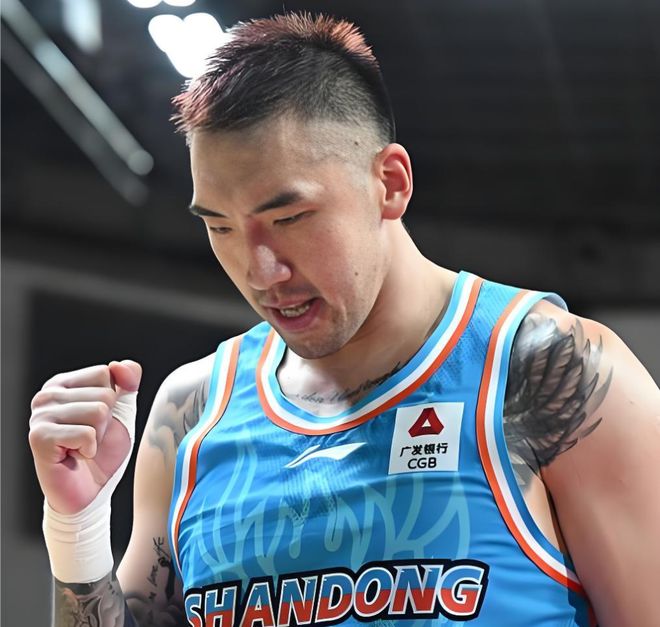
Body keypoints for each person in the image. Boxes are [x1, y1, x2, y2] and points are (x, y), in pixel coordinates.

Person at [28, 12, 659, 627]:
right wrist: (77, 528)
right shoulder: (193, 411)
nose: (260, 270)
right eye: (220, 227)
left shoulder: (554, 371)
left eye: (289, 218)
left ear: (390, 182)